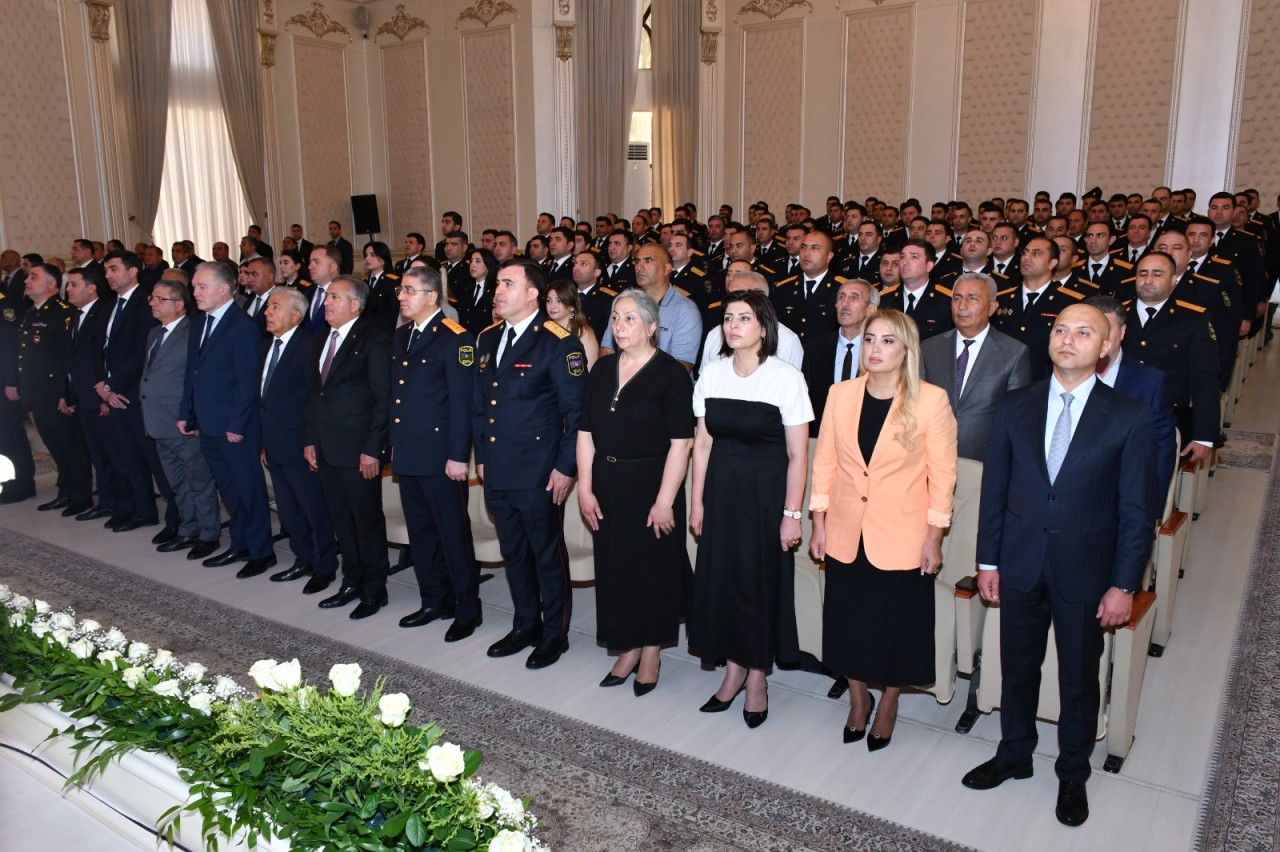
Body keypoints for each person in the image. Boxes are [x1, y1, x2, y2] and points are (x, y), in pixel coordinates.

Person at [963, 303, 1155, 828]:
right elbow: (995, 492)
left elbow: (1137, 511)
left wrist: (1124, 584)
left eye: (1083, 332)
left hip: (1087, 571)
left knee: (1077, 677)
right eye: (1060, 329)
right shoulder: (1014, 406)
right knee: (1017, 666)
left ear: (1107, 346)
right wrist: (987, 560)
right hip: (1020, 562)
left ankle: (1073, 772)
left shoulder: (1129, 415)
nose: (1068, 339)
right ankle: (1014, 753)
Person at [809, 308, 956, 748]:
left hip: (904, 534)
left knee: (897, 627)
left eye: (888, 341)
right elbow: (825, 464)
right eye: (870, 340)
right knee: (846, 622)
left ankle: (889, 701)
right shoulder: (840, 393)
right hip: (845, 528)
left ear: (906, 349)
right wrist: (818, 522)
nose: (875, 349)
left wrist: (934, 536)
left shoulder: (930, 400)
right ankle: (858, 699)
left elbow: (943, 476)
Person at [689, 290, 812, 729]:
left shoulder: (785, 377)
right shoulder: (713, 373)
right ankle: (732, 670)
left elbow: (799, 456)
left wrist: (791, 514)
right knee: (722, 582)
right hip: (721, 490)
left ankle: (757, 675)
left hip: (765, 494)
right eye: (727, 318)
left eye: (744, 318)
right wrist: (696, 500)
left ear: (763, 327)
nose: (733, 325)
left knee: (757, 585)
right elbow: (702, 444)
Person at [577, 288, 694, 696]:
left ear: (651, 326)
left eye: (629, 318)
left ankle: (651, 652)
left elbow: (682, 443)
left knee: (652, 572)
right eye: (615, 318)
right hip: (607, 483)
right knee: (616, 569)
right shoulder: (602, 370)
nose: (620, 326)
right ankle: (626, 647)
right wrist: (586, 488)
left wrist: (665, 501)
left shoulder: (671, 374)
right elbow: (586, 431)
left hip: (652, 484)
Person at [474, 258, 586, 670]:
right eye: (497, 283)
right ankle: (525, 624)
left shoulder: (558, 343)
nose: (498, 291)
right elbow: (479, 407)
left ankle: (555, 633)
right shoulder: (487, 339)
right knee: (513, 552)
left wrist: (565, 468)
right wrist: (481, 458)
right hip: (497, 468)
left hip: (539, 470)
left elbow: (576, 416)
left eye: (507, 283)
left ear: (533, 293)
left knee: (546, 554)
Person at [390, 265, 482, 641]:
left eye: (409, 290)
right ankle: (434, 599)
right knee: (421, 533)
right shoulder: (401, 336)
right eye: (401, 290)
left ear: (432, 297)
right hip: (410, 451)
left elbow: (463, 403)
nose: (401, 297)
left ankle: (466, 607)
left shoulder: (456, 338)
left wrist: (458, 456)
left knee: (452, 534)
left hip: (442, 455)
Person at [180, 262, 277, 578]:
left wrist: (236, 425)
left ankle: (262, 552)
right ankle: (240, 544)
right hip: (208, 423)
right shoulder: (199, 323)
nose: (195, 292)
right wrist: (187, 412)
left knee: (248, 490)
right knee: (229, 491)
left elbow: (247, 382)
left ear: (225, 289)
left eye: (201, 286)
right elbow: (192, 373)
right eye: (194, 286)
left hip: (236, 427)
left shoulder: (243, 327)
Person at [304, 276, 392, 619]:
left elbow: (384, 400)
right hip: (326, 447)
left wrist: (373, 448)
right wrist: (310, 439)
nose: (326, 303)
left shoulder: (374, 339)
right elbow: (314, 395)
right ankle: (351, 581)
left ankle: (375, 589)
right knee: (341, 519)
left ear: (355, 305)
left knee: (366, 520)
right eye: (326, 297)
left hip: (359, 451)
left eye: (335, 297)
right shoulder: (321, 339)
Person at [258, 287, 339, 595]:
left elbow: (312, 399)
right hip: (274, 442)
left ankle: (324, 566)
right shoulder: (267, 346)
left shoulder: (309, 347)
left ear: (295, 315)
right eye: (267, 307)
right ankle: (303, 558)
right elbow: (264, 397)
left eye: (275, 307)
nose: (267, 312)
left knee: (312, 508)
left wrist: (311, 442)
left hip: (300, 443)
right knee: (289, 510)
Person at [139, 276, 220, 561]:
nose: (153, 303)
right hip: (158, 421)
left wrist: (193, 417)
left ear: (180, 305)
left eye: (161, 299)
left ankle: (209, 533)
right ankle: (188, 529)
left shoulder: (193, 332)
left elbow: (197, 380)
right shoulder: (154, 333)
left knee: (199, 482)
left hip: (182, 422)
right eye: (153, 298)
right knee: (177, 483)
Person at [921, 272, 1033, 460]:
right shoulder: (929, 347)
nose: (962, 306)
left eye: (972, 298)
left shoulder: (1014, 353)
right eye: (957, 298)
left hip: (984, 460)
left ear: (992, 308)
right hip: (930, 455)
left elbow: (1018, 419)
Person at [18, 263, 92, 514]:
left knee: (70, 446)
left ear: (51, 284)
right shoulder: (33, 312)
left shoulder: (62, 312)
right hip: (38, 393)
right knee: (55, 446)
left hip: (55, 393)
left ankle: (80, 497)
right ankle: (66, 491)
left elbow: (66, 358)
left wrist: (65, 393)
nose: (27, 280)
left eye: (33, 277)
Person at [61, 267, 116, 518]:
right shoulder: (76, 314)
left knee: (111, 453)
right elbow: (72, 359)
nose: (68, 290)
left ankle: (118, 502)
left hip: (98, 396)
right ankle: (107, 501)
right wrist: (69, 394)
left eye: (73, 284)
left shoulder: (103, 313)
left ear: (91, 287)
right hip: (83, 395)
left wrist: (104, 395)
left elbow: (104, 357)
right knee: (97, 453)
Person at [801, 277, 880, 437]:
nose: (845, 303)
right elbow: (805, 399)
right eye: (841, 297)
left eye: (854, 297)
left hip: (866, 438)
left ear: (871, 309)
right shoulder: (815, 348)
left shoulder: (879, 351)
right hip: (821, 438)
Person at [546, 279, 599, 371]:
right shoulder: (543, 329)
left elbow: (590, 373)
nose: (552, 306)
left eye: (559, 301)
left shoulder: (583, 334)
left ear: (571, 306)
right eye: (548, 301)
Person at [361, 241, 402, 336]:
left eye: (372, 255)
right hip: (364, 332)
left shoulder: (395, 281)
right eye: (366, 255)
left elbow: (396, 309)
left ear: (383, 259)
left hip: (385, 332)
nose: (367, 258)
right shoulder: (363, 282)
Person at [458, 247, 497, 335]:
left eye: (478, 261)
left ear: (488, 265)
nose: (472, 265)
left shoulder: (495, 291)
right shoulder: (467, 289)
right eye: (471, 261)